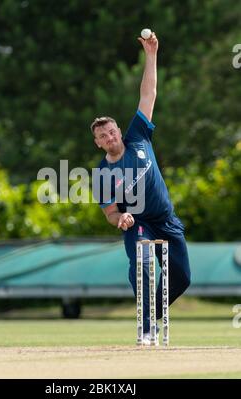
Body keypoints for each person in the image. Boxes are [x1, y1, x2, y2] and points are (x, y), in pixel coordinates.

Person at [91, 32, 191, 345]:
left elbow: (148, 94)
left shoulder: (138, 137)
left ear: (119, 130)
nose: (109, 137)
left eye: (111, 131)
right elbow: (110, 212)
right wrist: (120, 219)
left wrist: (151, 54)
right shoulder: (102, 174)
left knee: (183, 277)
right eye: (103, 137)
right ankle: (145, 327)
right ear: (98, 144)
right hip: (139, 223)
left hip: (166, 218)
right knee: (142, 264)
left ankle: (154, 313)